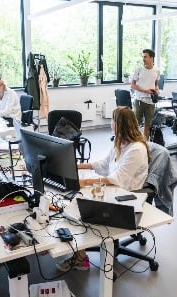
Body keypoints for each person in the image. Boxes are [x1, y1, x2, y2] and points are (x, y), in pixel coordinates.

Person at [55, 106, 150, 272]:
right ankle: (80, 252)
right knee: (76, 200)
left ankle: (81, 258)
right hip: (114, 190)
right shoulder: (120, 142)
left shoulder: (136, 149)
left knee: (79, 206)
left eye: (114, 120)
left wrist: (85, 183)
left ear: (121, 124)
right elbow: (103, 165)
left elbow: (117, 179)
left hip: (125, 196)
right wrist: (77, 166)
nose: (111, 123)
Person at [131, 48, 161, 139]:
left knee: (148, 125)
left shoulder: (157, 71)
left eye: (145, 57)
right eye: (143, 57)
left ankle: (145, 145)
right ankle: (134, 143)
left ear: (151, 58)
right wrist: (145, 90)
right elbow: (132, 85)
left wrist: (156, 90)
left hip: (150, 102)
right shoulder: (139, 69)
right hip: (139, 100)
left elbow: (156, 84)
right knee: (136, 125)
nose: (143, 59)